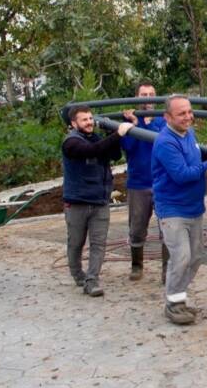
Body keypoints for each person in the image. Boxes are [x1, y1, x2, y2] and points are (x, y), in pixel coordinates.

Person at [152, 95, 207, 325]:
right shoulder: (165, 142)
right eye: (181, 113)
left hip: (194, 208)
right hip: (173, 209)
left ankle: (179, 298)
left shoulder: (189, 134)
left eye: (189, 112)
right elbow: (182, 175)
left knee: (196, 258)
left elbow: (196, 155)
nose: (188, 117)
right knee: (181, 257)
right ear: (167, 117)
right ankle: (172, 304)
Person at [62, 105, 133, 297]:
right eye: (84, 119)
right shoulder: (71, 143)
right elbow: (92, 151)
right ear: (73, 123)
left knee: (98, 243)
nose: (89, 122)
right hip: (77, 202)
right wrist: (118, 133)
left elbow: (114, 155)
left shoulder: (96, 138)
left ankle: (92, 280)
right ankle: (78, 274)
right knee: (76, 243)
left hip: (100, 201)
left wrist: (113, 133)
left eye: (91, 118)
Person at [120, 81, 166, 281]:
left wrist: (145, 125)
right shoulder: (128, 123)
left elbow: (163, 142)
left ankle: (167, 269)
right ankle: (136, 265)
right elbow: (128, 148)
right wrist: (134, 126)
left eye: (151, 95)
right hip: (138, 183)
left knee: (167, 227)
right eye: (144, 95)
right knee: (137, 228)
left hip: (162, 182)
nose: (148, 99)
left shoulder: (163, 121)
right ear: (137, 98)